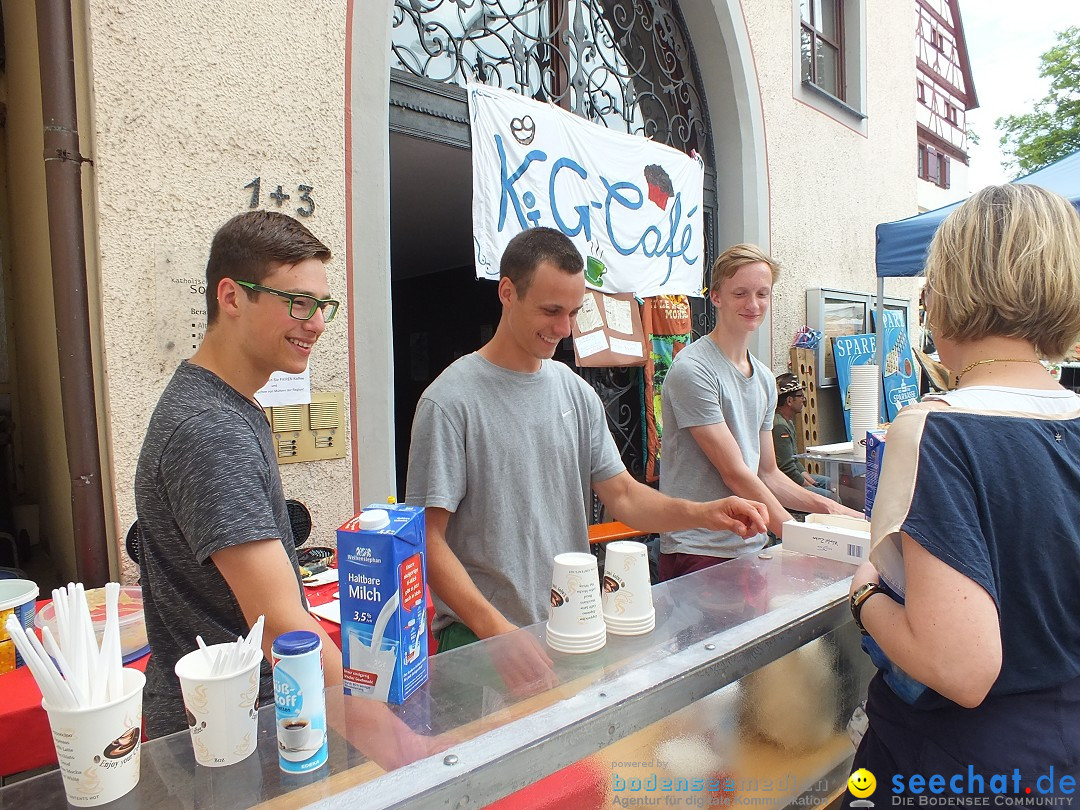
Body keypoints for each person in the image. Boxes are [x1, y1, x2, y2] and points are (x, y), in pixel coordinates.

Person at [405, 227, 768, 660]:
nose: (563, 328)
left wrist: (705, 513)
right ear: (506, 292)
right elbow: (427, 539)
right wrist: (497, 634)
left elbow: (625, 497)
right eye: (551, 310)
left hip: (572, 627)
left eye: (574, 312)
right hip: (479, 640)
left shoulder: (575, 392)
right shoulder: (449, 401)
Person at [845, 184, 1080, 796]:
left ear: (950, 288)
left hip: (957, 765)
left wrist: (864, 595)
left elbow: (960, 666)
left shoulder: (935, 429)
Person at [134, 211, 344, 737]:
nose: (315, 322)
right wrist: (370, 723)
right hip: (230, 727)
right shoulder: (210, 428)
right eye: (298, 302)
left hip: (237, 710)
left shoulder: (230, 405)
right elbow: (282, 628)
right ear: (231, 297)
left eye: (322, 306)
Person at [658, 244, 861, 581]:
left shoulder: (765, 379)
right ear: (717, 296)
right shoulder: (693, 369)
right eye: (741, 293)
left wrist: (830, 508)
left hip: (750, 546)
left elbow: (768, 473)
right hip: (698, 548)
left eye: (762, 294)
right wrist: (800, 535)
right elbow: (735, 473)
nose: (753, 304)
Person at [771, 372, 838, 502]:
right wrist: (807, 487)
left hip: (790, 477)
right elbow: (787, 468)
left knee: (831, 483)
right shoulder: (779, 426)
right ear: (789, 401)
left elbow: (794, 459)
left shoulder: (787, 422)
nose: (804, 399)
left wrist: (811, 481)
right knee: (830, 498)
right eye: (800, 396)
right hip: (783, 483)